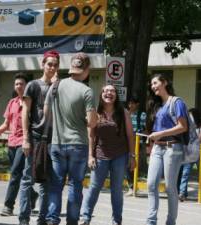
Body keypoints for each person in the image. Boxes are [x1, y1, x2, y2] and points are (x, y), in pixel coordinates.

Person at [45, 52, 97, 225]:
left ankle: (52, 219)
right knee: (75, 185)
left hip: (57, 142)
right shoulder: (87, 91)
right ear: (86, 69)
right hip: (78, 144)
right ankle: (72, 221)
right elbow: (91, 122)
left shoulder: (56, 85)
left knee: (56, 184)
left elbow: (46, 113)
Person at [79, 84, 136, 225]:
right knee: (94, 187)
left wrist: (132, 156)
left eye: (112, 91)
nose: (109, 93)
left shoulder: (123, 112)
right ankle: (85, 217)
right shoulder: (95, 112)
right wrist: (90, 156)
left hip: (120, 156)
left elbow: (130, 135)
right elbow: (91, 136)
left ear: (116, 95)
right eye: (105, 91)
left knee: (116, 190)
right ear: (101, 95)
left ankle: (116, 220)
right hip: (100, 156)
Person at [0, 73, 38, 216]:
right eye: (16, 84)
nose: (19, 86)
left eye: (21, 84)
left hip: (25, 142)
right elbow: (6, 124)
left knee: (15, 173)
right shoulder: (12, 103)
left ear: (27, 86)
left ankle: (8, 206)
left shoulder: (32, 103)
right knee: (20, 173)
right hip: (12, 142)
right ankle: (32, 195)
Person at [19, 50, 60, 225]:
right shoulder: (33, 86)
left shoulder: (59, 86)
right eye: (49, 63)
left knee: (47, 181)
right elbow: (25, 112)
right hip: (35, 137)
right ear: (42, 64)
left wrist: (56, 84)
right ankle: (23, 218)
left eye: (55, 64)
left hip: (52, 140)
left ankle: (42, 219)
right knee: (28, 178)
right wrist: (26, 139)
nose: (52, 67)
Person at [145, 74, 189, 225]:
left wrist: (161, 133)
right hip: (158, 147)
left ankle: (170, 222)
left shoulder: (177, 102)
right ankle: (151, 221)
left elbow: (183, 127)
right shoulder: (157, 105)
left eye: (155, 83)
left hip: (173, 148)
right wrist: (152, 137)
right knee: (151, 184)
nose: (153, 86)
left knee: (170, 188)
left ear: (164, 83)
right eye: (151, 84)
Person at [177, 108, 201, 201]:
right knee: (185, 173)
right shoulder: (187, 127)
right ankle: (182, 193)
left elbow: (199, 139)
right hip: (190, 154)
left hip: (199, 153)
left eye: (190, 115)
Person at [125, 96, 147, 196]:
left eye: (133, 103)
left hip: (137, 143)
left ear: (137, 104)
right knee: (127, 164)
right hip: (125, 142)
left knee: (134, 164)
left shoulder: (142, 115)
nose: (130, 105)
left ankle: (134, 187)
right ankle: (131, 186)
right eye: (129, 103)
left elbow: (144, 129)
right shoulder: (125, 114)